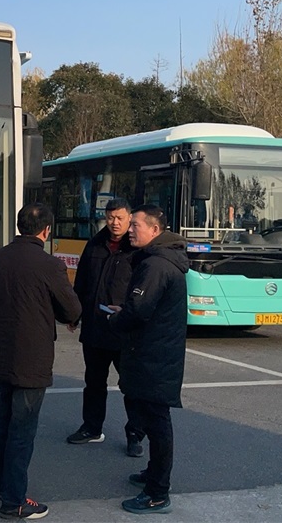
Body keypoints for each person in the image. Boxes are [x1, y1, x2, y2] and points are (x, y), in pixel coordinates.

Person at [0, 203, 82, 520]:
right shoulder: (50, 265)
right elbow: (72, 309)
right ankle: (14, 500)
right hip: (31, 360)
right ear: (46, 230)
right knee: (22, 431)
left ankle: (5, 486)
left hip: (0, 355)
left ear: (19, 226)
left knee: (5, 426)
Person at [106, 204, 188, 515]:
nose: (129, 230)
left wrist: (117, 319)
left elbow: (139, 310)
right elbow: (142, 307)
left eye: (135, 225)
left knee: (157, 422)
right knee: (153, 421)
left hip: (155, 357)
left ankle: (157, 493)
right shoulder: (158, 260)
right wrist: (126, 310)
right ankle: (153, 474)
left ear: (154, 230)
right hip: (154, 354)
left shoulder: (156, 265)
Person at [65, 198, 145, 457]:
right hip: (95, 328)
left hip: (124, 330)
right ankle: (91, 428)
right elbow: (81, 283)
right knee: (94, 382)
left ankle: (135, 434)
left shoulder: (137, 248)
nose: (115, 223)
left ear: (129, 217)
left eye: (120, 218)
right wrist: (74, 314)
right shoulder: (95, 245)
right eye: (110, 217)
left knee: (131, 386)